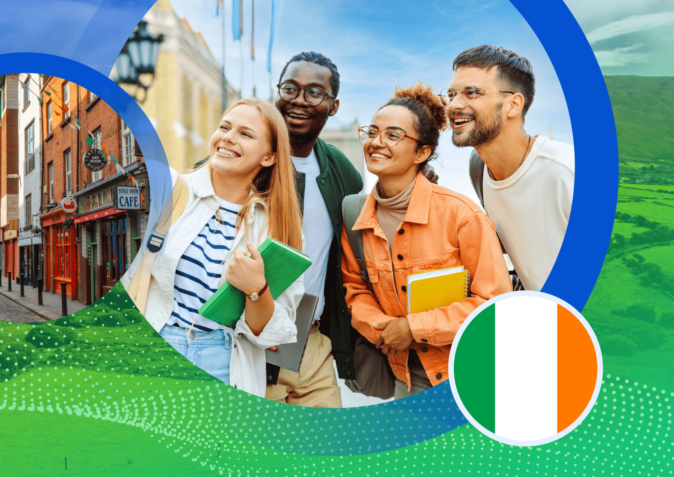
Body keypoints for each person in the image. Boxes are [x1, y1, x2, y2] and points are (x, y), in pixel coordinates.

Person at [122, 98, 305, 397]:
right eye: (224, 127)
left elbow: (270, 335)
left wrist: (256, 288)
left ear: (270, 157)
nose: (229, 137)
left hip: (225, 363)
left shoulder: (278, 226)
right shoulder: (172, 191)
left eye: (246, 134)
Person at [341, 82, 512, 398]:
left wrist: (413, 328)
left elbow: (493, 305)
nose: (376, 142)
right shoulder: (355, 217)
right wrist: (381, 327)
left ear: (422, 152)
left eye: (393, 135)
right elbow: (355, 289)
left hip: (471, 373)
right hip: (405, 375)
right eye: (372, 132)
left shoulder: (462, 215)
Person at [263, 52, 363, 408]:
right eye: (290, 88)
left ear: (333, 106)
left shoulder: (341, 169)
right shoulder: (249, 153)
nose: (299, 100)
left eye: (314, 93)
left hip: (313, 342)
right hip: (252, 341)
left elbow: (370, 222)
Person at [443, 45, 575, 291]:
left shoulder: (568, 173)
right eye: (451, 95)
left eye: (471, 93)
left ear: (513, 105)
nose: (453, 106)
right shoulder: (480, 170)